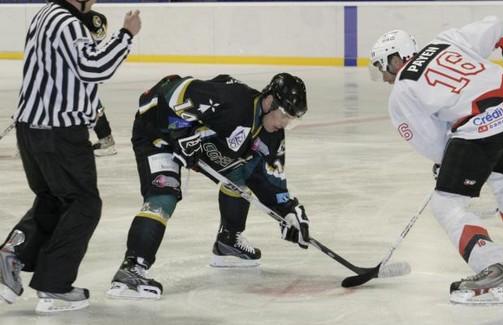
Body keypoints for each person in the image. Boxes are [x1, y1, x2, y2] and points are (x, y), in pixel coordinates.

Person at [106, 73, 311, 300]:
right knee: (164, 196)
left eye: (291, 120)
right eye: (283, 115)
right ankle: (131, 269)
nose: (284, 123)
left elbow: (271, 178)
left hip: (197, 145)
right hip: (156, 133)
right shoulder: (233, 100)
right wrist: (181, 133)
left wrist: (288, 212)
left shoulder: (271, 133)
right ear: (270, 101)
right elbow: (171, 92)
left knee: (242, 175)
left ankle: (228, 241)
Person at [0, 0, 140, 313]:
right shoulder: (67, 22)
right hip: (58, 131)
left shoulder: (44, 16)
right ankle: (54, 285)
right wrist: (126, 36)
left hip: (32, 128)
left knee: (52, 199)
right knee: (84, 204)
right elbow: (94, 67)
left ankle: (9, 260)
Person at [370, 16, 503, 304]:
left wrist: (447, 162)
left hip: (482, 127)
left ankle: (491, 269)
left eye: (383, 66)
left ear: (397, 58)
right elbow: (501, 29)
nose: (385, 76)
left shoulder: (403, 89)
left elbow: (431, 142)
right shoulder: (446, 40)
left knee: (447, 203)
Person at [82, 10, 117, 157]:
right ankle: (106, 139)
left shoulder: (90, 17)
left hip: (81, 64)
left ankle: (106, 140)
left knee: (91, 100)